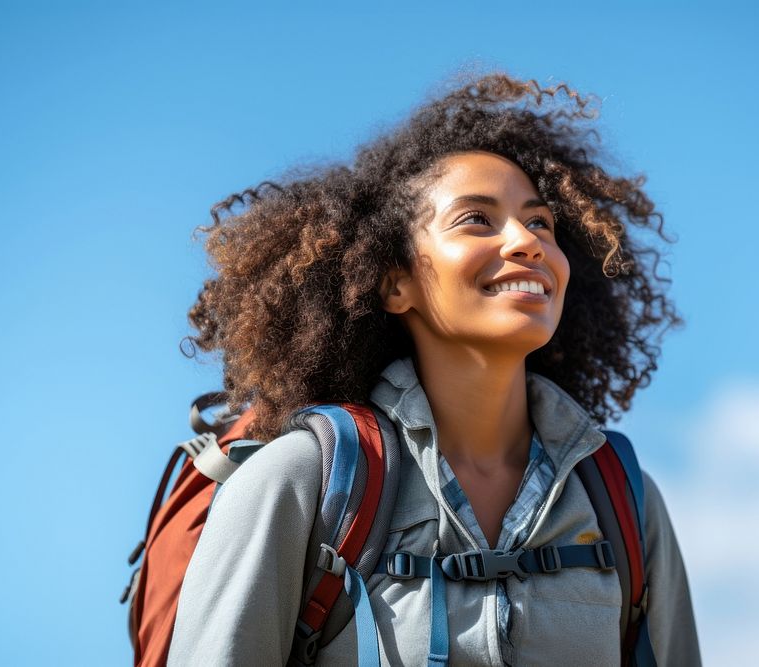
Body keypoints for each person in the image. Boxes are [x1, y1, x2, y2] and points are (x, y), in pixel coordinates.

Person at [169, 73, 700, 666]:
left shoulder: (625, 501)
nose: (527, 242)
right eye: (476, 219)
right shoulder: (301, 484)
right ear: (397, 284)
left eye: (541, 223)